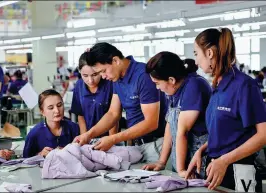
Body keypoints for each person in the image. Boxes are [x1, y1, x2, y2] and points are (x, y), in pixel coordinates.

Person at [185, 28, 266, 191]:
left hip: (238, 169)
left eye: (196, 53)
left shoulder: (244, 85)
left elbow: (263, 135)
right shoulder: (217, 86)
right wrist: (201, 150)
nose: (196, 61)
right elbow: (226, 132)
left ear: (209, 53)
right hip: (215, 167)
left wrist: (225, 160)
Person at [73, 42, 168, 163]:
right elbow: (113, 113)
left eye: (103, 71)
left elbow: (151, 123)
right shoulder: (117, 78)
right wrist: (88, 135)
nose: (103, 76)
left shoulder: (142, 76)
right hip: (134, 144)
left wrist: (113, 139)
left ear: (116, 61)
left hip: (154, 146)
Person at [141, 53, 211, 178]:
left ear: (171, 80)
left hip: (198, 159)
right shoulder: (174, 89)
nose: (157, 88)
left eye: (157, 83)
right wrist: (161, 162)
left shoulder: (193, 86)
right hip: (183, 158)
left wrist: (181, 170)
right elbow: (171, 126)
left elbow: (182, 132)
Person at [71, 52, 117, 140]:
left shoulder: (109, 84)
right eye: (85, 75)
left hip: (108, 136)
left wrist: (111, 140)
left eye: (94, 75)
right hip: (88, 137)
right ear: (79, 71)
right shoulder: (79, 86)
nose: (90, 80)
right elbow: (80, 115)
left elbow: (114, 114)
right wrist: (85, 137)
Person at [23, 89, 80, 158]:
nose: (57, 111)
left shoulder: (74, 128)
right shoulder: (34, 134)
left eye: (59, 105)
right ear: (42, 111)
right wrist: (40, 155)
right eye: (51, 108)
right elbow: (25, 161)